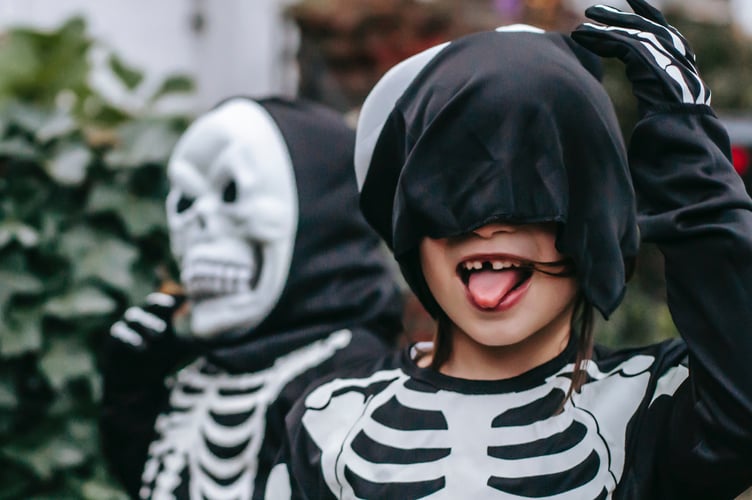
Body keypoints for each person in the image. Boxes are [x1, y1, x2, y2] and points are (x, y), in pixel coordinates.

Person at [266, 1, 752, 498]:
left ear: (595, 216)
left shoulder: (655, 407)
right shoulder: (328, 422)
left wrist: (689, 147)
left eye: (538, 186)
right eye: (450, 190)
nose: (490, 227)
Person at [98, 97, 404, 499]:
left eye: (230, 193)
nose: (200, 225)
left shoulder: (349, 379)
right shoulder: (212, 368)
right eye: (186, 202)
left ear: (317, 218)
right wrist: (132, 386)